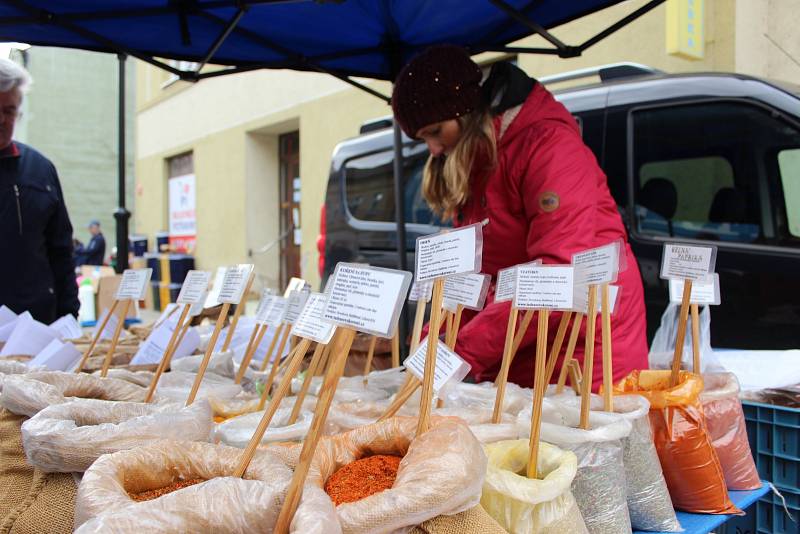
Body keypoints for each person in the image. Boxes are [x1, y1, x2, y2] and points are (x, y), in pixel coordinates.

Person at [391, 45, 648, 390]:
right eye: (424, 139)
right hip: (522, 337)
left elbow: (559, 271)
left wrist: (460, 352)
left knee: (573, 442)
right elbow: (472, 278)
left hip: (585, 346)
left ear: (466, 112)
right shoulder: (478, 161)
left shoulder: (548, 146)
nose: (434, 150)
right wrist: (429, 345)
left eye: (436, 131)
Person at [0, 58, 79, 323]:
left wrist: (69, 318)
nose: (2, 119)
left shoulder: (40, 169)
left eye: (9, 111)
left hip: (35, 327)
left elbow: (61, 251)